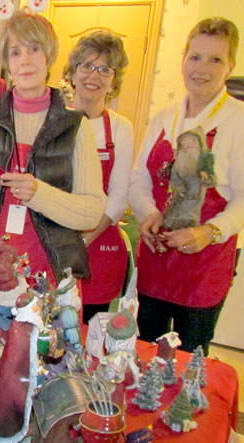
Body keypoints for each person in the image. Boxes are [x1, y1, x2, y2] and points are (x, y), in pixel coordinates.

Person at [0, 11, 105, 302]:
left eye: (34, 49)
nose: (26, 59)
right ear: (7, 63)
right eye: (16, 52)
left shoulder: (76, 126)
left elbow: (92, 212)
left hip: (49, 276)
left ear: (49, 56)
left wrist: (38, 193)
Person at [129, 18, 243, 355]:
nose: (202, 69)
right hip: (156, 257)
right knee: (144, 348)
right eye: (195, 57)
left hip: (204, 265)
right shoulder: (165, 117)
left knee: (188, 358)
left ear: (230, 66)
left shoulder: (238, 121)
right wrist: (148, 213)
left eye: (215, 59)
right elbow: (140, 177)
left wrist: (209, 232)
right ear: (183, 60)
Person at [62, 30, 133, 323]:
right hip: (56, 241)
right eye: (87, 65)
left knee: (91, 335)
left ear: (113, 80)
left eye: (105, 69)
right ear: (73, 73)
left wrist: (82, 241)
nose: (95, 75)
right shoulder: (55, 120)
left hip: (98, 247)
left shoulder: (120, 128)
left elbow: (118, 197)